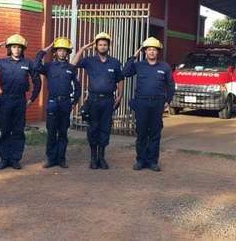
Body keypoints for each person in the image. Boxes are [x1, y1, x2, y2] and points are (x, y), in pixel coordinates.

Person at [0, 34, 41, 170]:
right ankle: (4, 159)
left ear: (23, 49)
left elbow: (37, 82)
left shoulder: (28, 63)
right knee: (5, 130)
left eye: (19, 47)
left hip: (20, 100)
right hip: (5, 99)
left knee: (18, 131)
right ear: (9, 48)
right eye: (14, 47)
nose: (17, 50)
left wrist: (32, 99)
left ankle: (15, 159)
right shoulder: (1, 62)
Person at [71, 32, 124, 170]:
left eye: (105, 44)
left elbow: (120, 79)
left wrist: (120, 95)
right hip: (93, 100)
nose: (102, 47)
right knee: (93, 128)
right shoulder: (89, 61)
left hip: (108, 100)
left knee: (105, 129)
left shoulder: (115, 62)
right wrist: (82, 49)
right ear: (96, 46)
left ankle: (102, 157)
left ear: (108, 46)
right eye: (100, 44)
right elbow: (73, 63)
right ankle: (93, 158)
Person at [123, 37, 174, 172]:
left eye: (154, 50)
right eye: (149, 49)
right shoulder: (139, 65)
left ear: (158, 52)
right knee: (141, 133)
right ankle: (140, 160)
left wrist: (168, 101)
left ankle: (153, 161)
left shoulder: (165, 67)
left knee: (155, 133)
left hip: (157, 103)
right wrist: (134, 55)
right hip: (142, 103)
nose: (151, 52)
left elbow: (170, 85)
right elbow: (125, 72)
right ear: (145, 51)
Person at [35, 37, 81, 168]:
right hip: (52, 102)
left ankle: (61, 159)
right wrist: (43, 51)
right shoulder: (49, 66)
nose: (62, 53)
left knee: (63, 132)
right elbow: (36, 66)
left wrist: (74, 101)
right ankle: (50, 159)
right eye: (59, 50)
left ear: (68, 53)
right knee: (51, 132)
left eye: (64, 51)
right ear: (55, 52)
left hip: (65, 103)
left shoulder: (71, 68)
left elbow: (77, 86)